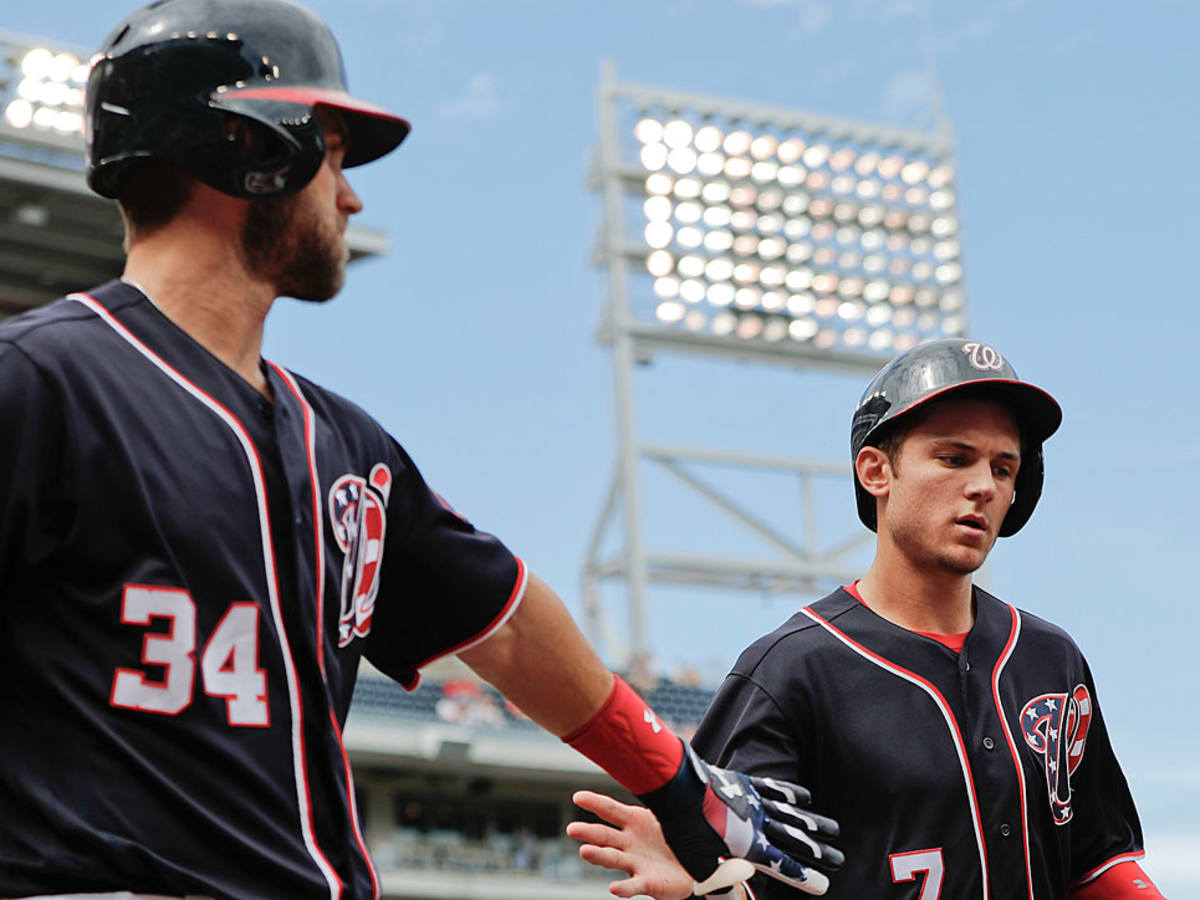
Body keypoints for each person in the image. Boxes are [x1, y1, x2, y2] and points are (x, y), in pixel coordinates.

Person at [0, 1, 841, 897]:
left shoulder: (346, 446)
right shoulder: (37, 385)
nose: (351, 196)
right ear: (252, 147)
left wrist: (674, 778)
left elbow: (508, 625)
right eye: (331, 158)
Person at [568, 339, 1165, 899]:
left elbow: (1097, 862)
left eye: (1003, 469)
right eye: (954, 458)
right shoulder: (790, 672)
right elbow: (740, 876)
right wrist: (706, 885)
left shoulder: (1050, 658)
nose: (982, 486)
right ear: (875, 470)